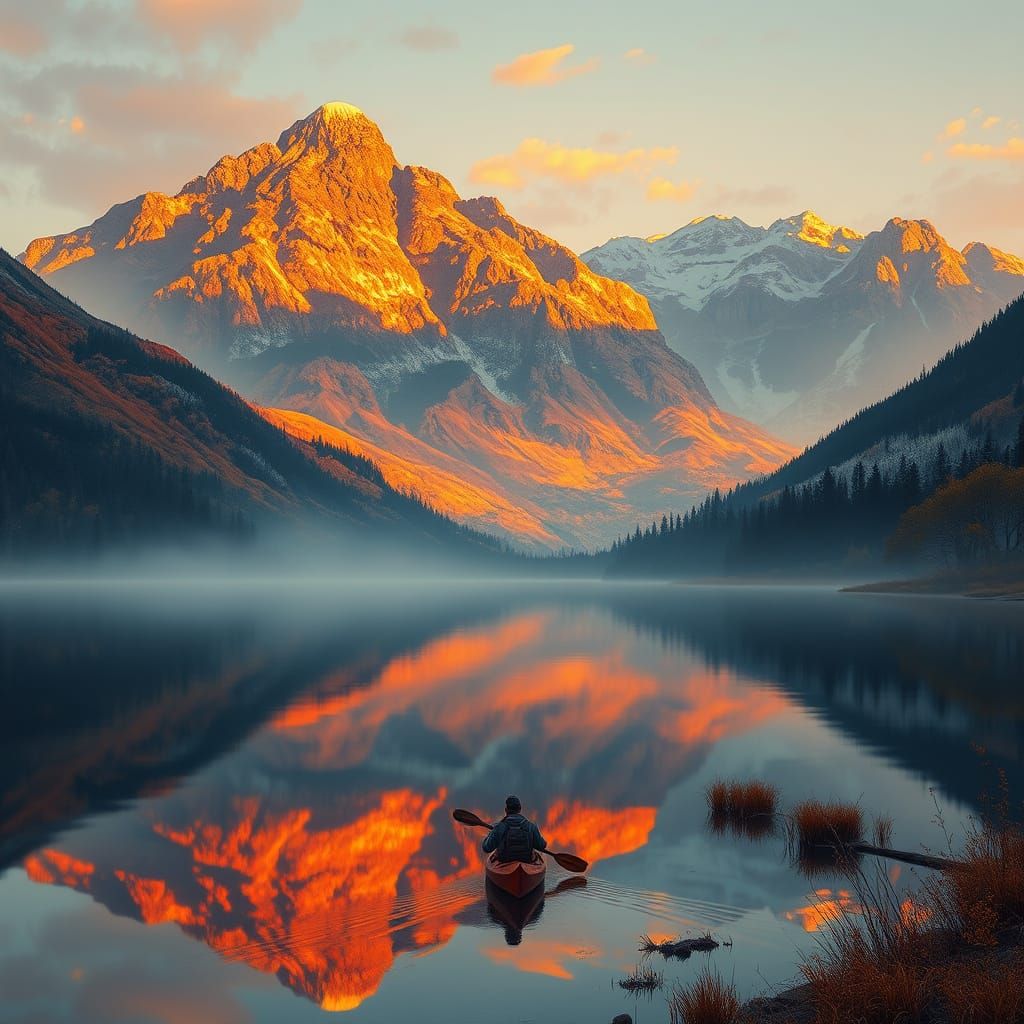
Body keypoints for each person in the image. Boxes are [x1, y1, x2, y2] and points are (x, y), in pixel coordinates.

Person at [482, 795, 547, 863]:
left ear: (506, 810)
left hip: (505, 861)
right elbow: (541, 846)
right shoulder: (531, 826)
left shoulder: (499, 827)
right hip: (526, 861)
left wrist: (490, 834)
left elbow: (487, 848)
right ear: (520, 809)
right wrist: (541, 841)